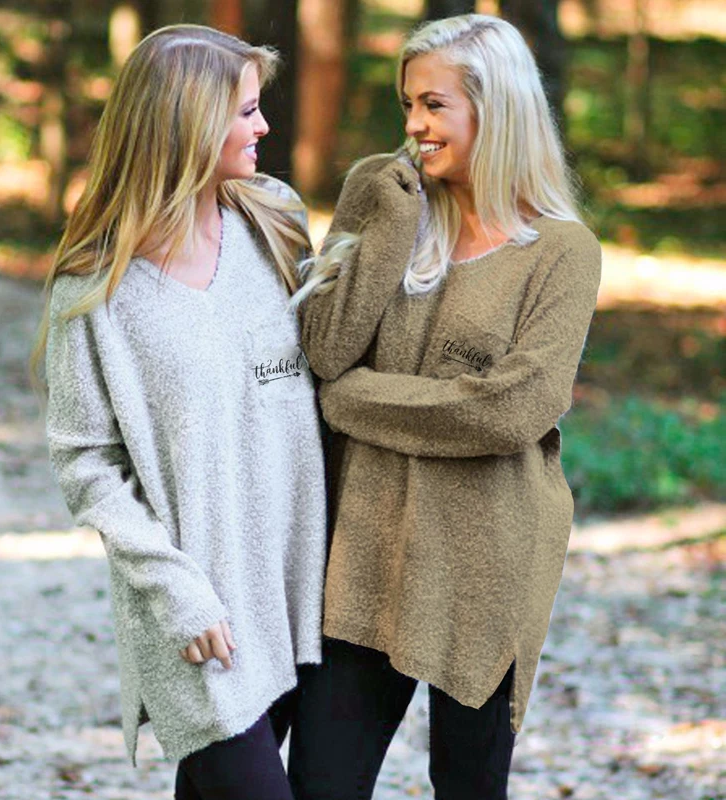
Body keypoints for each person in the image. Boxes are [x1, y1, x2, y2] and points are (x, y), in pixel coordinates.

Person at [287, 14, 601, 800]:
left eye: (434, 104)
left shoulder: (563, 252)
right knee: (321, 783)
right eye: (408, 104)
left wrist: (354, 400)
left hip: (485, 561)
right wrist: (389, 226)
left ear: (497, 110)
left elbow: (513, 410)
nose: (414, 126)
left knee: (467, 785)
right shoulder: (384, 196)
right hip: (363, 549)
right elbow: (325, 350)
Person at [30, 25, 326, 800]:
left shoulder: (275, 220)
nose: (264, 126)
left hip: (294, 587)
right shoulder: (95, 286)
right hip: (197, 613)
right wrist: (177, 594)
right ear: (186, 123)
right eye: (247, 112)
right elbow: (85, 464)